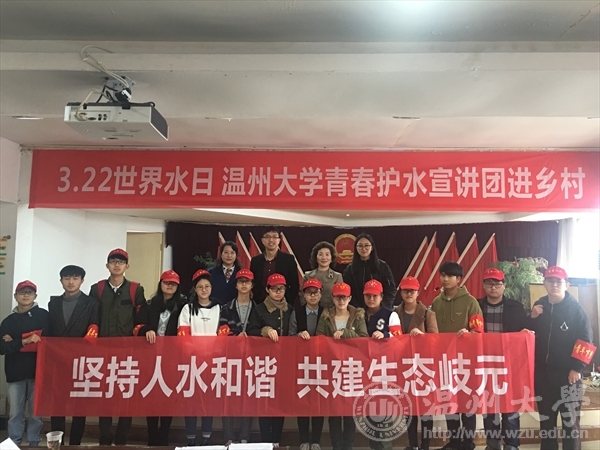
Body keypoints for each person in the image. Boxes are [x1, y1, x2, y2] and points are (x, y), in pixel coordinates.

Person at [528, 266, 595, 450]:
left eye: (559, 281)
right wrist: (531, 317)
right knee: (546, 422)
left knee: (570, 422)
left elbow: (586, 339)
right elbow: (528, 334)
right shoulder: (539, 306)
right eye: (550, 281)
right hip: (543, 375)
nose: (554, 285)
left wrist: (577, 368)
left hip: (568, 375)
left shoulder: (576, 310)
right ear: (544, 283)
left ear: (567, 284)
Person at [88, 248, 146, 446]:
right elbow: (92, 316)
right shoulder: (97, 289)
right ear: (107, 265)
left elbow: (140, 319)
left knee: (125, 395)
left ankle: (122, 438)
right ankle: (105, 437)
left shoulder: (135, 289)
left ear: (127, 266)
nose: (117, 265)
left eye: (121, 262)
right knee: (105, 395)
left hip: (126, 352)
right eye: (113, 261)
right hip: (102, 351)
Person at [430, 261, 483, 450]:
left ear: (459, 279)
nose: (445, 279)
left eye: (450, 276)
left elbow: (478, 331)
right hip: (444, 362)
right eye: (443, 275)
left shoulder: (471, 302)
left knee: (467, 402)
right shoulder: (436, 302)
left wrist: (469, 333)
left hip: (465, 361)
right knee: (449, 401)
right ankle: (454, 442)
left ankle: (468, 443)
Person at [475, 268, 527, 450]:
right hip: (485, 364)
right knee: (489, 407)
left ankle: (512, 444)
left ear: (504, 285)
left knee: (510, 406)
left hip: (509, 364)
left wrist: (526, 331)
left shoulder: (516, 308)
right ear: (483, 286)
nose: (493, 287)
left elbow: (525, 329)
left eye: (497, 284)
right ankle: (493, 443)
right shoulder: (476, 306)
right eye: (489, 283)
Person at [48, 265, 99, 446]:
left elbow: (94, 327)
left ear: (82, 281)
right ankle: (57, 444)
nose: (71, 282)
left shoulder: (91, 303)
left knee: (79, 406)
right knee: (57, 405)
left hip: (81, 360)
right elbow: (49, 331)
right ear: (61, 281)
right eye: (67, 278)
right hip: (58, 361)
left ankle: (75, 444)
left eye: (75, 278)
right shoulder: (53, 303)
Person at [135, 269, 186, 446]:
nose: (169, 286)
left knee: (168, 396)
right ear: (160, 284)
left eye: (173, 284)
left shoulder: (183, 307)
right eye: (166, 282)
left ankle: (164, 437)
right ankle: (152, 437)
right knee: (151, 397)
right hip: (150, 358)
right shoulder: (149, 305)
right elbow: (137, 326)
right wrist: (146, 330)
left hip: (172, 359)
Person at [316, 282, 368, 450]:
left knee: (350, 412)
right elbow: (319, 339)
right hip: (332, 369)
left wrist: (346, 333)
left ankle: (348, 446)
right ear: (333, 298)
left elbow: (364, 339)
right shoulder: (325, 316)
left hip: (352, 368)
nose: (341, 301)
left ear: (350, 298)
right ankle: (336, 446)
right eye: (338, 297)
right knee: (334, 412)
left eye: (344, 298)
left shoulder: (358, 316)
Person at [0, 280, 49, 447]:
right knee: (15, 413)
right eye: (22, 292)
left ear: (35, 296)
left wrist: (15, 341)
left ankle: (34, 442)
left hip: (38, 371)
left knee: (36, 412)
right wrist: (25, 340)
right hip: (15, 373)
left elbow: (45, 341)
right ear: (15, 296)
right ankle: (14, 443)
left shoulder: (44, 316)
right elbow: (2, 348)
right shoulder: (8, 321)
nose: (26, 295)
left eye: (30, 292)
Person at [247, 273, 293, 447]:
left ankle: (276, 441)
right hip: (264, 363)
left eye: (281, 289)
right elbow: (251, 330)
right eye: (274, 289)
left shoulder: (290, 310)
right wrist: (265, 331)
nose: (278, 292)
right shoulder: (259, 309)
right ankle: (266, 441)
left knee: (280, 402)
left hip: (283, 362)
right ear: (267, 290)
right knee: (264, 402)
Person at [178, 269, 221, 446]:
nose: (204, 290)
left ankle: (206, 438)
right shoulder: (187, 309)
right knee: (191, 401)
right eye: (200, 287)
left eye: (207, 286)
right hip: (192, 363)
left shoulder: (219, 308)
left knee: (208, 401)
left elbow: (223, 333)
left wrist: (213, 354)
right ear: (195, 289)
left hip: (213, 362)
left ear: (211, 288)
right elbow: (183, 335)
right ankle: (190, 438)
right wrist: (194, 354)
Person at [396, 276, 438, 450]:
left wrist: (423, 336)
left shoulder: (428, 313)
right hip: (403, 364)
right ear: (401, 292)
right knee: (409, 408)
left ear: (418, 293)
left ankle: (425, 445)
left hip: (423, 365)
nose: (409, 294)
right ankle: (412, 444)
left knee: (426, 408)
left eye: (412, 291)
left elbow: (436, 339)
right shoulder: (394, 313)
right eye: (406, 290)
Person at [219, 268, 256, 445]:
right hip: (230, 358)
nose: (244, 285)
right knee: (229, 397)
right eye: (241, 281)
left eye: (247, 282)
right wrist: (235, 338)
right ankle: (228, 437)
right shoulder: (226, 308)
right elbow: (221, 331)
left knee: (248, 397)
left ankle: (244, 438)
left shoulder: (258, 308)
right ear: (236, 285)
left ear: (252, 285)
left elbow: (260, 330)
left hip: (252, 359)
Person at [362, 279, 401, 450]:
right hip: (364, 367)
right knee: (368, 409)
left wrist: (385, 334)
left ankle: (386, 446)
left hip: (385, 368)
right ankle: (374, 446)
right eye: (368, 296)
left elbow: (400, 339)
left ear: (381, 296)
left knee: (384, 408)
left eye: (375, 296)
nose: (371, 299)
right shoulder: (359, 313)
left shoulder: (390, 314)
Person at [289, 278, 326, 450]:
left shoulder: (326, 312)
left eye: (315, 292)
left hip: (321, 364)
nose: (312, 295)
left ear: (321, 294)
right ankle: (304, 439)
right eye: (309, 292)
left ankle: (316, 440)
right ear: (303, 295)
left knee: (318, 401)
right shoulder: (296, 312)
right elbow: (289, 336)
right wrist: (298, 336)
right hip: (301, 363)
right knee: (302, 401)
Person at [342, 233, 396, 309]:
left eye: (367, 245)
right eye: (360, 246)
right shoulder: (350, 269)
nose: (363, 249)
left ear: (372, 247)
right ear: (356, 248)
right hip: (358, 311)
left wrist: (384, 308)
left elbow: (390, 289)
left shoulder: (382, 266)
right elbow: (348, 292)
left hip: (381, 309)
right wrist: (358, 310)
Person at [250, 226, 300, 306]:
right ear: (262, 240)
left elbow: (294, 285)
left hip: (282, 304)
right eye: (267, 237)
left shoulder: (288, 259)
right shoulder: (256, 261)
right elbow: (254, 283)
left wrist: (288, 302)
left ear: (279, 240)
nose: (271, 240)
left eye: (274, 237)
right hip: (260, 303)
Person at [301, 241, 343, 308]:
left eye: (327, 254)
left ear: (331, 258)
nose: (324, 258)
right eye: (320, 254)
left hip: (331, 311)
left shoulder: (337, 276)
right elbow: (302, 296)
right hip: (312, 311)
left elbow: (340, 297)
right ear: (316, 257)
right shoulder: (308, 276)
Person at [209, 241, 243, 305]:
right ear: (221, 254)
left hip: (235, 308)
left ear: (236, 255)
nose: (229, 255)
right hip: (215, 307)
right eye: (226, 252)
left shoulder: (241, 273)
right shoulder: (211, 272)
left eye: (232, 253)